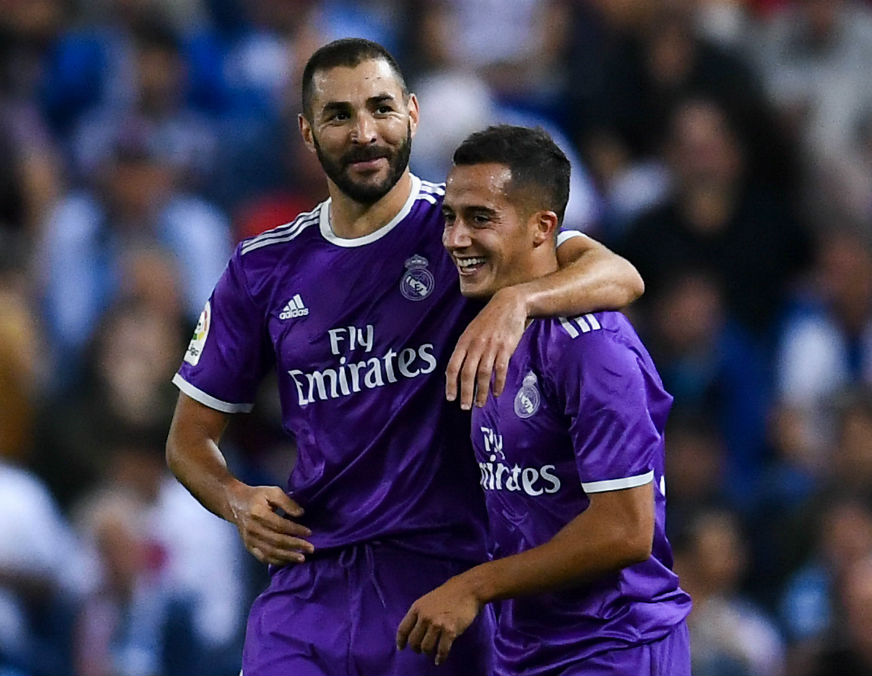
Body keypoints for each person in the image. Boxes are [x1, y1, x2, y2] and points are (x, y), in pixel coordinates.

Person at [166, 39, 644, 675]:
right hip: (311, 577)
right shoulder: (263, 267)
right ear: (308, 133)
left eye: (381, 108)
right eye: (339, 116)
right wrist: (236, 499)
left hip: (441, 573)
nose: (365, 133)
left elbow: (619, 275)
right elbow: (187, 442)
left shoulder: (462, 227)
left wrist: (519, 301)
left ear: (413, 115)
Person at [396, 125, 690, 674]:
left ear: (542, 228)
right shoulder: (486, 312)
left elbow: (627, 529)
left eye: (480, 219)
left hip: (613, 646)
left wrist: (474, 587)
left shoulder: (592, 349)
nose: (456, 238)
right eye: (450, 218)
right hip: (529, 647)